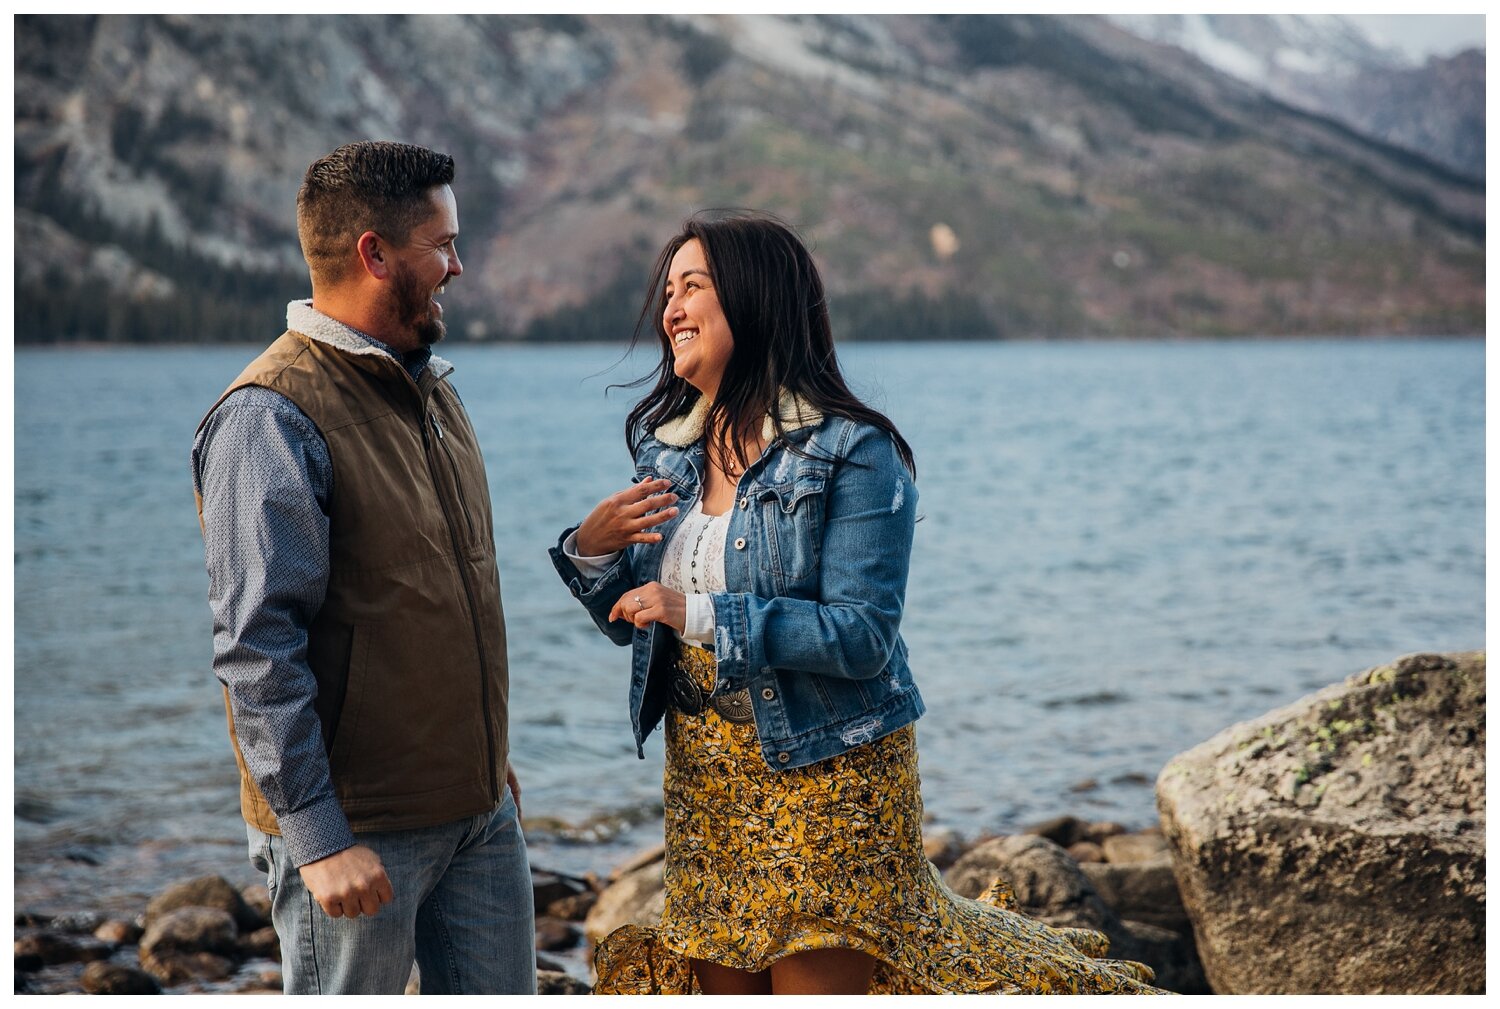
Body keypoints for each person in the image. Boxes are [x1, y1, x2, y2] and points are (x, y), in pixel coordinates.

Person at [549, 211, 1163, 994]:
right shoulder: (664, 452)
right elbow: (636, 616)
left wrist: (699, 614)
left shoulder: (855, 451)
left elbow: (863, 634)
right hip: (705, 780)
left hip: (830, 769)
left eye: (692, 286)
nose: (669, 308)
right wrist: (592, 549)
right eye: (666, 290)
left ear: (756, 298)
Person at [192, 141, 535, 995]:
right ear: (374, 254)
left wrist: (483, 753)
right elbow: (257, 647)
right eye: (443, 244)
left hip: (477, 812)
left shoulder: (433, 392)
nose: (458, 266)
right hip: (358, 834)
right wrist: (317, 835)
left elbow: (433, 594)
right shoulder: (270, 416)